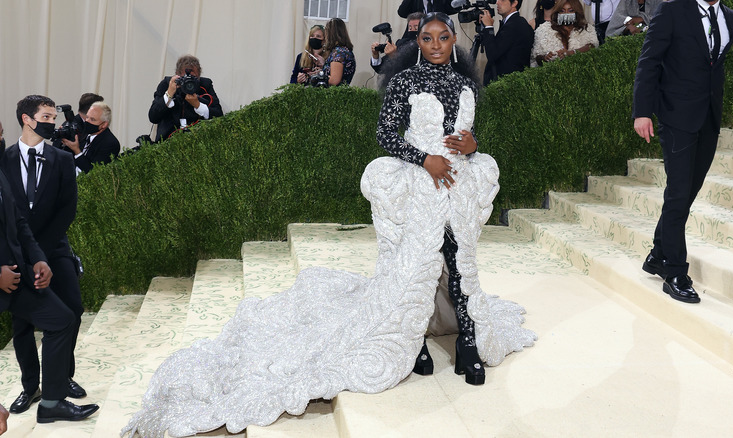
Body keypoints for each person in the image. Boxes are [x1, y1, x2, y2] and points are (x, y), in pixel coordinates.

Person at [122, 12, 535, 438]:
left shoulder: (468, 84)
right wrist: (424, 159)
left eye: (443, 37)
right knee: (418, 261)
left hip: (459, 182)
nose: (434, 44)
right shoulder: (405, 82)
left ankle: (468, 341)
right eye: (427, 37)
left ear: (454, 41)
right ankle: (414, 342)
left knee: (458, 256)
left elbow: (464, 134)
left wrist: (472, 145)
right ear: (419, 42)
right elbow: (387, 135)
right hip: (419, 181)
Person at [0, 95, 99, 424]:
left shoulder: (61, 159)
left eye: (54, 117)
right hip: (15, 255)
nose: (52, 123)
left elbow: (67, 209)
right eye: (46, 116)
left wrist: (38, 252)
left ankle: (60, 378)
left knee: (71, 311)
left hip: (52, 248)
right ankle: (32, 387)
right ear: (27, 120)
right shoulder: (5, 159)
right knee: (24, 324)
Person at [633, 0, 733, 303]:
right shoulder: (672, 10)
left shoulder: (729, 17)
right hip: (675, 115)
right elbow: (649, 61)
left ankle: (658, 253)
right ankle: (675, 271)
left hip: (708, 117)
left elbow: (713, 65)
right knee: (679, 192)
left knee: (687, 192)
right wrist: (642, 112)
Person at [148, 55, 223, 142]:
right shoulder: (167, 84)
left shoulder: (205, 85)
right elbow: (153, 117)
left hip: (199, 141)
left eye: (193, 78)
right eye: (184, 78)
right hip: (168, 142)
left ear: (199, 75)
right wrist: (168, 95)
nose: (189, 82)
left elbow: (219, 116)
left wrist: (198, 105)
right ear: (177, 75)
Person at [479, 0, 535, 85]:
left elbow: (492, 55)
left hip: (506, 87)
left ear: (514, 3)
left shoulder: (515, 25)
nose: (497, 2)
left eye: (502, 0)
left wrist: (489, 27)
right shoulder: (515, 22)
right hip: (509, 85)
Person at [531, 0, 598, 66]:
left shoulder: (587, 28)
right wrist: (545, 57)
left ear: (577, 12)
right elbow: (536, 56)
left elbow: (592, 46)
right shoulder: (544, 29)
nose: (566, 13)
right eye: (562, 11)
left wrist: (571, 53)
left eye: (570, 10)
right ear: (557, 12)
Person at [62, 101, 120, 175]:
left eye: (92, 119)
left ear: (104, 124)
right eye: (87, 117)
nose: (87, 122)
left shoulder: (110, 143)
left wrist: (77, 151)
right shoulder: (84, 132)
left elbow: (94, 173)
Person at [322, 18, 356, 86]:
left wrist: (316, 78)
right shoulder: (345, 50)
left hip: (333, 94)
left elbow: (334, 80)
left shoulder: (338, 53)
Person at [398, 0, 462, 18]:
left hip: (436, 34)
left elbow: (453, 8)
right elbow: (402, 13)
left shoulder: (441, 1)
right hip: (415, 36)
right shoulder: (414, 1)